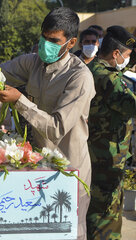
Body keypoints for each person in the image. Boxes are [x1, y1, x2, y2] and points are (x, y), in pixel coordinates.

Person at [0, 7, 95, 239]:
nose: (46, 45)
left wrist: (20, 101)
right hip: (41, 166)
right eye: (43, 38)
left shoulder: (80, 77)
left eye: (54, 40)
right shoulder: (33, 63)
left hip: (70, 169)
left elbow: (56, 128)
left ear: (71, 42)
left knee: (70, 232)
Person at [86, 25, 136, 240]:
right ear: (115, 54)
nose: (128, 60)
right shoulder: (109, 79)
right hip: (106, 159)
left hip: (97, 155)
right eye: (126, 55)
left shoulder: (93, 70)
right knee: (105, 215)